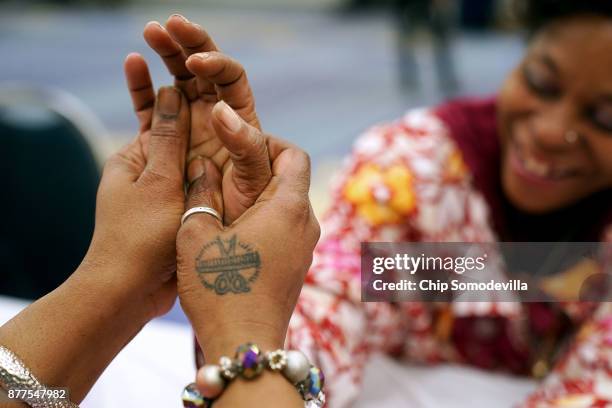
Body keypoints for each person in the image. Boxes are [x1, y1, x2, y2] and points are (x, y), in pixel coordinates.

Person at [134, 2, 612, 406]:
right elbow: (333, 308)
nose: (552, 132)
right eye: (542, 83)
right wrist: (248, 325)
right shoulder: (414, 177)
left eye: (606, 118)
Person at [0, 58, 319, 407]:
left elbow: (377, 283)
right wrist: (244, 331)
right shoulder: (378, 165)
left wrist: (120, 280)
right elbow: (351, 288)